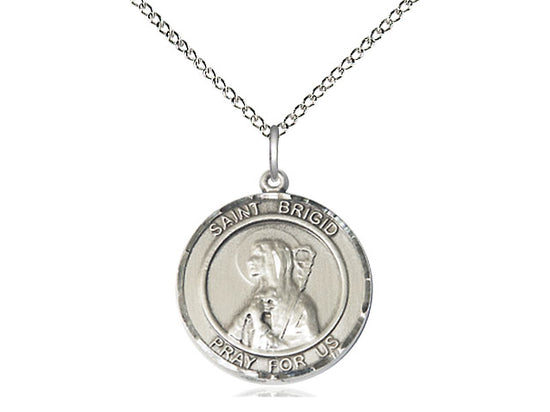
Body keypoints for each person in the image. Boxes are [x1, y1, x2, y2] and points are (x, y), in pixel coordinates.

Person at [228, 239, 319, 351]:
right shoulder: (256, 302)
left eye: (259, 255)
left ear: (275, 260)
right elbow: (231, 340)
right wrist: (250, 312)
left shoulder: (301, 307)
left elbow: (305, 350)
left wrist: (258, 323)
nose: (249, 261)